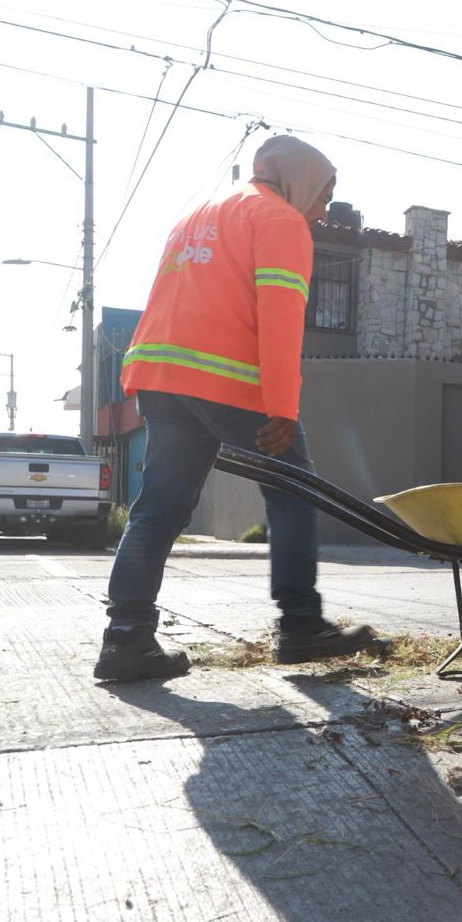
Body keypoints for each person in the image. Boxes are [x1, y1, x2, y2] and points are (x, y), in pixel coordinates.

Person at [95, 135, 382, 683]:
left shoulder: (198, 215)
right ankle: (301, 625)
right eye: (324, 194)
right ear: (298, 180)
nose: (322, 210)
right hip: (227, 380)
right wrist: (281, 407)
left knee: (157, 510)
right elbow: (280, 316)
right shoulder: (278, 220)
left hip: (162, 376)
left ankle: (125, 640)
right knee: (295, 493)